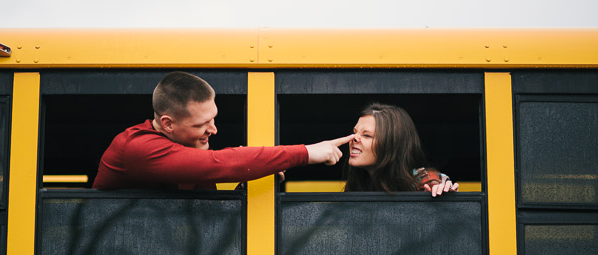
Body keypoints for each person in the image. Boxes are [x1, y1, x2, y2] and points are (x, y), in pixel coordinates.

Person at [93, 72, 353, 190]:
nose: (213, 130)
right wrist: (307, 152)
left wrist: (248, 177)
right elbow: (219, 164)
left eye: (213, 119)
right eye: (200, 125)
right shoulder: (136, 146)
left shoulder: (184, 150)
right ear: (168, 123)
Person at [345, 103, 458, 197]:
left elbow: (436, 185)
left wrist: (444, 195)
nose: (353, 138)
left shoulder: (424, 181)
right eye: (355, 132)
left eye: (367, 135)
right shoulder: (358, 183)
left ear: (391, 144)